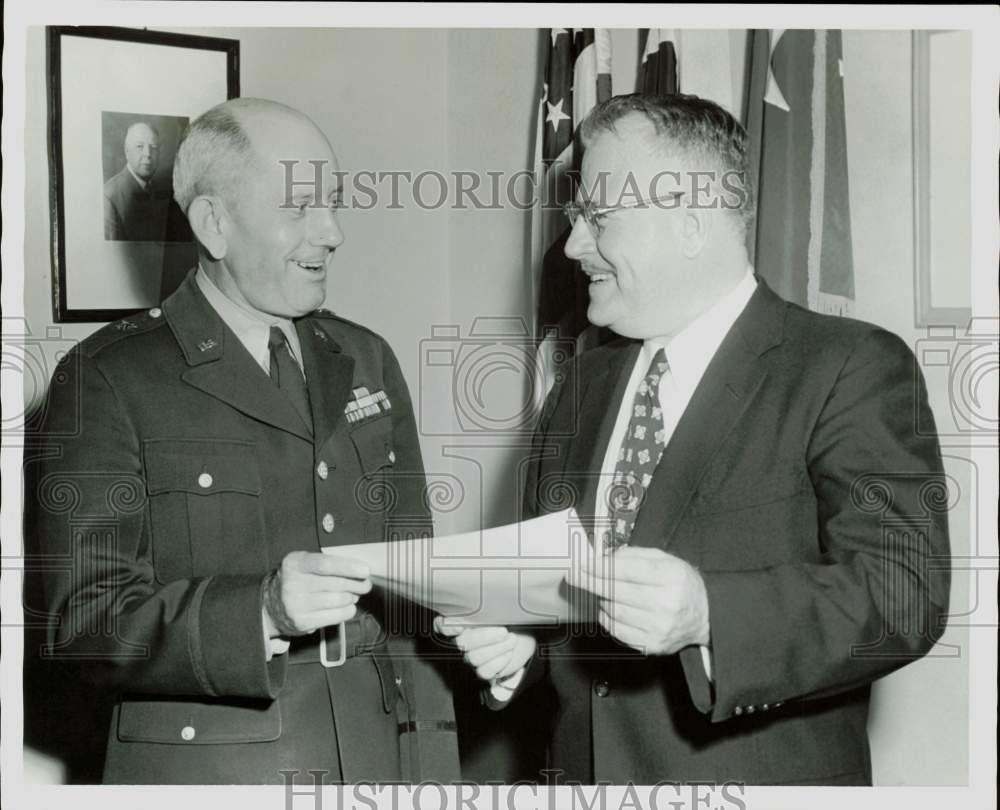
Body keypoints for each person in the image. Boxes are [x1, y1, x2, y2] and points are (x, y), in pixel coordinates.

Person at [440, 93, 951, 785]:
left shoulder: (846, 366)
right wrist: (521, 653)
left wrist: (712, 612)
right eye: (575, 217)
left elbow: (903, 594)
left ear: (689, 221)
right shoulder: (578, 388)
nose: (572, 246)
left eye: (599, 217)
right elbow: (562, 620)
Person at [32, 98, 458, 784]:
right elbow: (83, 625)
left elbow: (413, 584)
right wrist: (259, 612)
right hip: (216, 770)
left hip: (379, 756)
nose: (333, 231)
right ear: (215, 224)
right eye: (301, 207)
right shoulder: (108, 379)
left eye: (336, 203)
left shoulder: (366, 357)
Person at [103, 121, 191, 242]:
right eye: (140, 146)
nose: (148, 154)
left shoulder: (163, 190)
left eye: (153, 147)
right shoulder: (109, 196)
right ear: (127, 151)